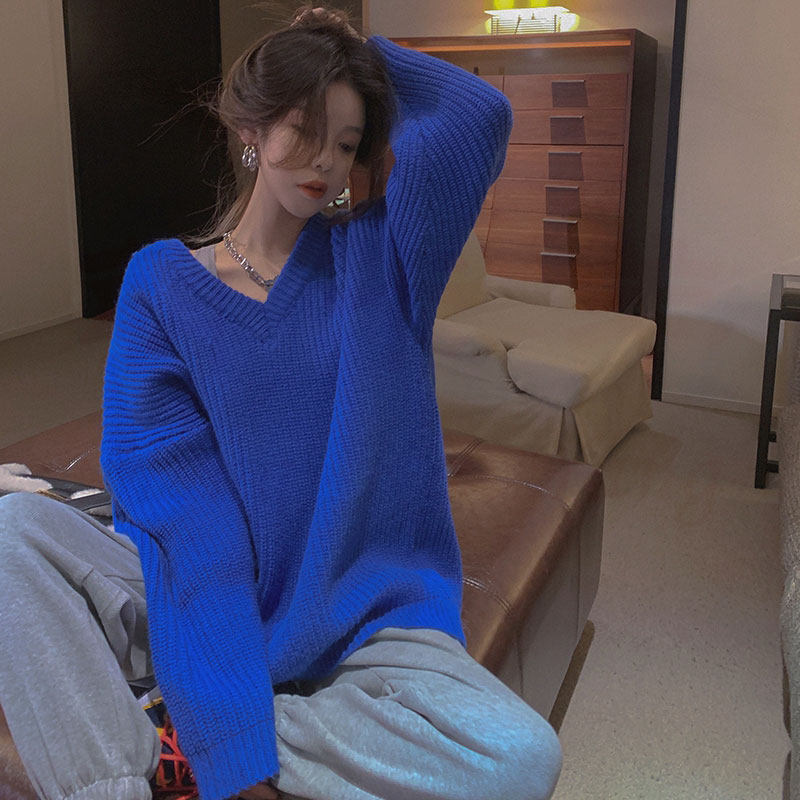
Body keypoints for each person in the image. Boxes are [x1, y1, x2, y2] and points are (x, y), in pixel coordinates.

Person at [0, 6, 562, 800]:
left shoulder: (385, 254)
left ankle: (176, 743)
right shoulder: (162, 287)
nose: (325, 162)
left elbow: (478, 116)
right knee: (14, 531)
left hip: (364, 620)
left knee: (519, 758)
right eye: (304, 130)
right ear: (251, 130)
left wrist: (352, 49)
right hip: (205, 603)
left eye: (347, 143)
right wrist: (221, 695)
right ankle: (125, 777)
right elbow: (186, 519)